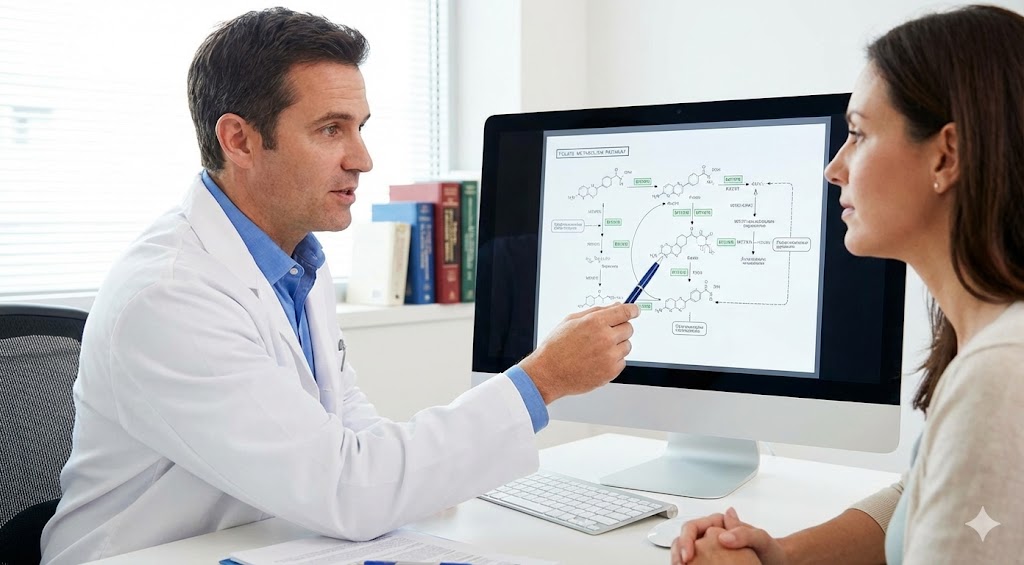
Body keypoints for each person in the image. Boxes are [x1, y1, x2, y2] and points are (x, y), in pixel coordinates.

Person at [39, 8, 639, 564]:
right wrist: (542, 381)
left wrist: (421, 480)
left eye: (360, 127)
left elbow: (348, 426)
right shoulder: (170, 295)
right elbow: (348, 488)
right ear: (239, 140)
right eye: (331, 130)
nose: (362, 158)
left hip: (259, 544)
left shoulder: (294, 257)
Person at [671, 5, 1024, 565]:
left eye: (857, 135)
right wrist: (781, 555)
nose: (835, 168)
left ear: (946, 154)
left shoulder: (1000, 377)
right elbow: (923, 495)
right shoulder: (992, 347)